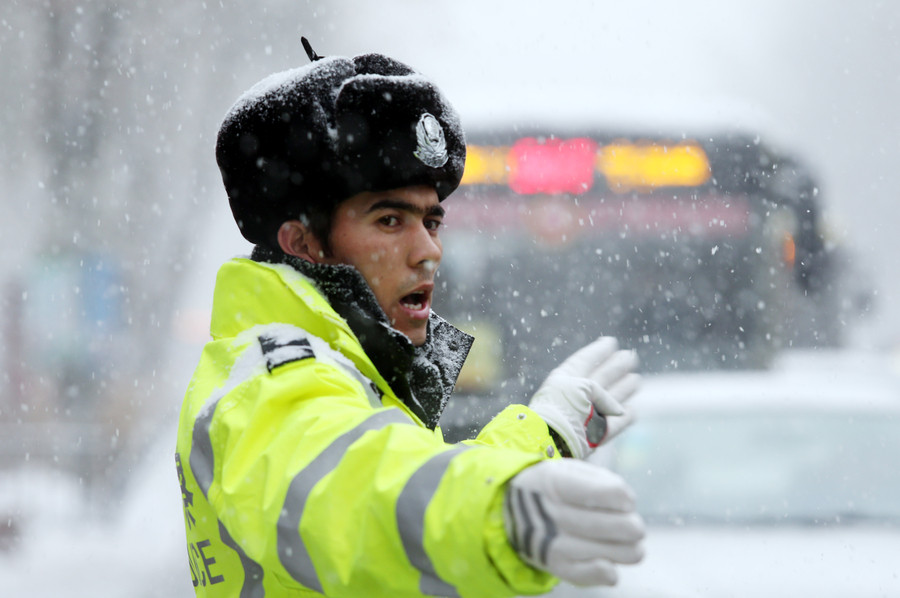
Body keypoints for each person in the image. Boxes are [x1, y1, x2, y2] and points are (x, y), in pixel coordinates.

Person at [175, 38, 645, 597]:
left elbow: (405, 478)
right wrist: (502, 512)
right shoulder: (269, 381)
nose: (429, 251)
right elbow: (358, 493)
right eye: (391, 221)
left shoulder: (344, 368)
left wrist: (543, 436)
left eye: (433, 221)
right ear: (301, 242)